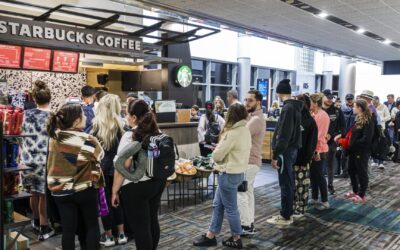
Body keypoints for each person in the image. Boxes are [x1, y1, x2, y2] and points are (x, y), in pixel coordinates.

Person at [193, 103, 251, 249]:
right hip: (237, 172)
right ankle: (211, 235)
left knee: (230, 208)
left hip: (228, 173)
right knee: (218, 205)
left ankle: (237, 238)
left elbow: (218, 156)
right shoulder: (245, 130)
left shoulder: (232, 133)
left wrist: (216, 150)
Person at [47, 103, 104, 250]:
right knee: (91, 226)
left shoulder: (54, 137)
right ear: (76, 120)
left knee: (68, 231)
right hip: (83, 188)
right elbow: (99, 155)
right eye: (83, 115)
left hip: (60, 191)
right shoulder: (87, 139)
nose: (86, 116)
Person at [112, 100, 166, 250]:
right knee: (152, 221)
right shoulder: (158, 132)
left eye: (127, 114)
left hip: (135, 187)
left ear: (134, 117)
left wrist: (115, 190)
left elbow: (124, 165)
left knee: (141, 229)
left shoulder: (130, 136)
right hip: (156, 182)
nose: (126, 117)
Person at [90, 94, 127, 247]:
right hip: (118, 169)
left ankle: (109, 236)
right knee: (117, 200)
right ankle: (122, 234)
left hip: (102, 171)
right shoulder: (121, 125)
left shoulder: (96, 126)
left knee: (104, 204)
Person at [20, 80, 54, 241]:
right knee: (43, 195)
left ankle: (35, 220)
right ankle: (44, 227)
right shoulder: (53, 116)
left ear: (34, 99)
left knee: (32, 192)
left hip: (26, 159)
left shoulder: (25, 114)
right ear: (50, 98)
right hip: (44, 159)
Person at [267, 79, 302, 226]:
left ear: (279, 93)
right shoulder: (294, 107)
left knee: (285, 183)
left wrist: (275, 155)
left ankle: (285, 215)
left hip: (285, 151)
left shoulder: (288, 109)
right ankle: (288, 212)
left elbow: (284, 135)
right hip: (290, 150)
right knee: (288, 181)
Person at [238, 90, 266, 235]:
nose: (246, 103)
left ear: (258, 102)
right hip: (251, 161)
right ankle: (249, 223)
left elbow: (240, 136)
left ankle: (245, 225)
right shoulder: (252, 117)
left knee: (241, 193)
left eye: (250, 100)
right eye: (245, 100)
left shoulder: (255, 120)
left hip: (249, 162)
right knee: (248, 193)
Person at [336, 99, 374, 203]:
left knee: (361, 172)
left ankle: (361, 195)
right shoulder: (357, 119)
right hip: (353, 150)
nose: (353, 108)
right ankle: (355, 191)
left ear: (360, 108)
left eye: (355, 106)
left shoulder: (368, 120)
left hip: (361, 151)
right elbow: (352, 134)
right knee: (351, 170)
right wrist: (343, 137)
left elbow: (366, 138)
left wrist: (353, 143)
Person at [293, 94, 318, 217]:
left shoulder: (310, 121)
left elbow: (311, 144)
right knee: (292, 185)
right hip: (291, 159)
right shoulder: (294, 118)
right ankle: (292, 206)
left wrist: (305, 160)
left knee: (302, 186)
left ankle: (301, 208)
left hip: (303, 160)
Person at [322, 89, 345, 195]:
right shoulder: (317, 110)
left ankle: (330, 185)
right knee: (317, 164)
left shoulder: (337, 110)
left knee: (330, 164)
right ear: (323, 97)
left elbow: (343, 126)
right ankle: (315, 184)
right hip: (318, 141)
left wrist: (338, 136)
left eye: (332, 98)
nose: (330, 100)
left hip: (331, 142)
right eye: (328, 97)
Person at [309, 93, 330, 210]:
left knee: (319, 176)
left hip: (319, 150)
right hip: (314, 149)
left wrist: (316, 151)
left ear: (316, 103)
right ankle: (315, 197)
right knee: (313, 175)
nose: (309, 105)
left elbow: (320, 135)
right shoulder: (314, 114)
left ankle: (325, 201)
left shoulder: (322, 116)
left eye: (311, 102)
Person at [339, 94, 356, 178]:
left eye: (351, 99)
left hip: (353, 135)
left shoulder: (356, 109)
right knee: (343, 155)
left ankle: (351, 171)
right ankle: (344, 171)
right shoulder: (341, 109)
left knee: (352, 155)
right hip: (344, 135)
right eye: (348, 99)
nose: (349, 100)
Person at [372, 96, 391, 169]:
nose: (374, 103)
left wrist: (381, 119)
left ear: (378, 100)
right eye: (373, 101)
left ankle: (381, 162)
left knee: (381, 145)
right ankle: (374, 160)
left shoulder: (384, 106)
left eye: (375, 101)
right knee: (373, 145)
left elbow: (389, 117)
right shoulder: (371, 107)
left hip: (381, 128)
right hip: (373, 128)